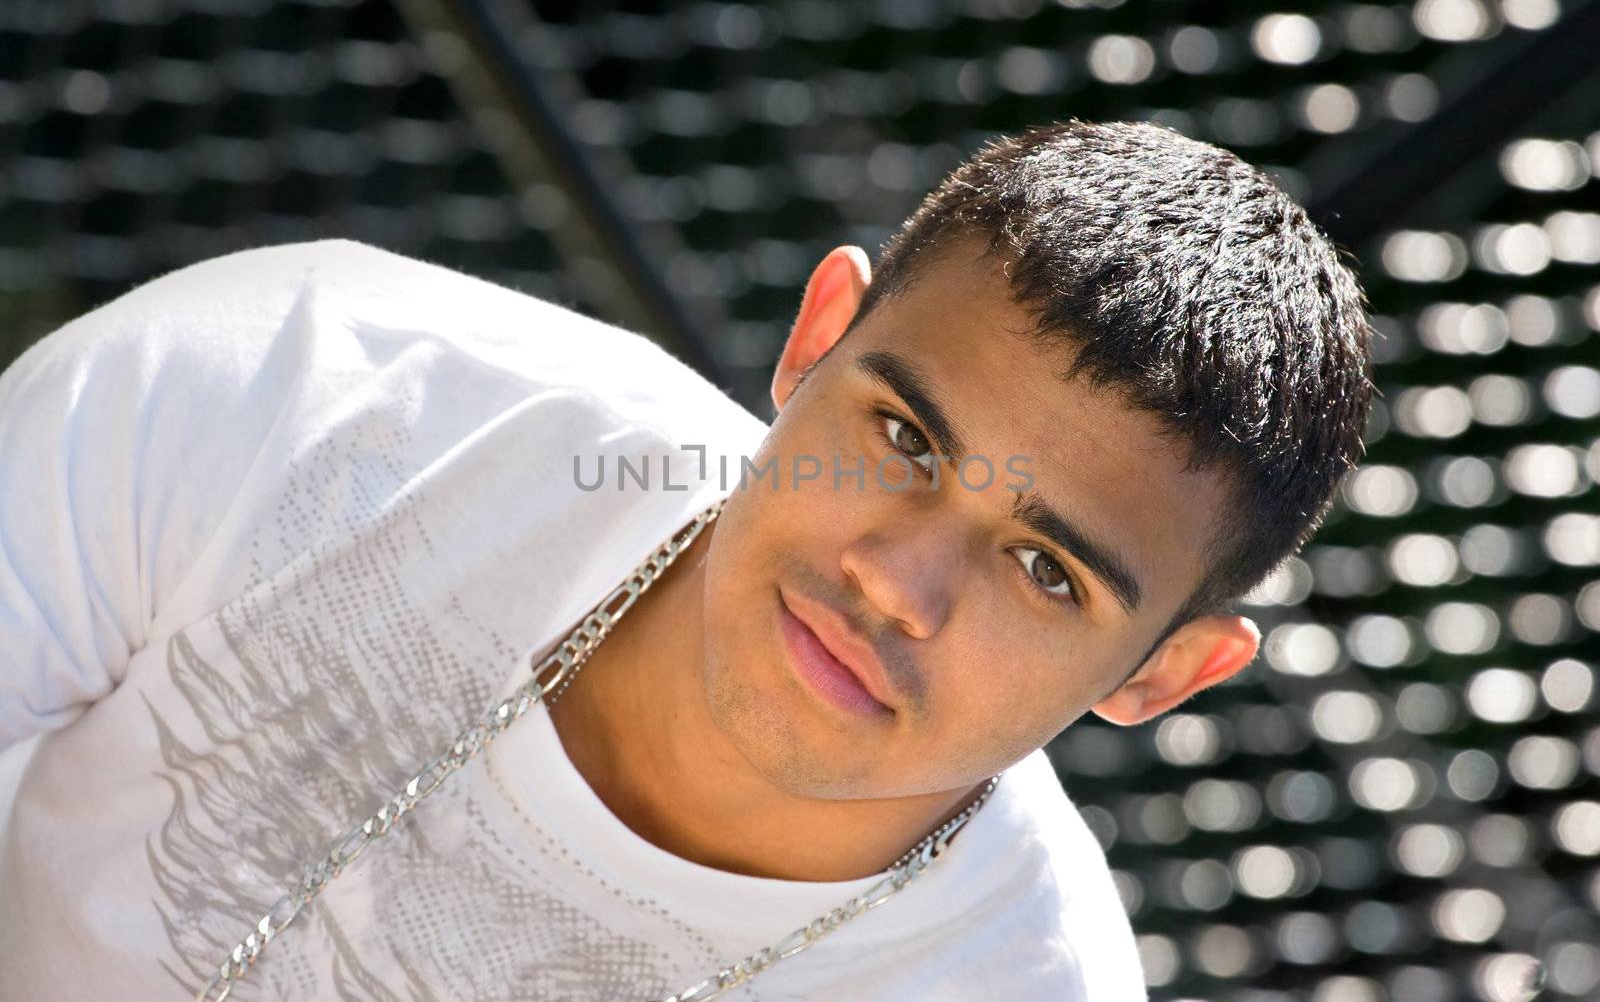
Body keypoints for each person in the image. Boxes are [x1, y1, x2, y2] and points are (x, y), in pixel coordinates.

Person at [0, 119, 1372, 1000]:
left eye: (1045, 571)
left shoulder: (1009, 983)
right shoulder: (322, 393)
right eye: (900, 436)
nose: (899, 581)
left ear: (1163, 676)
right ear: (815, 337)